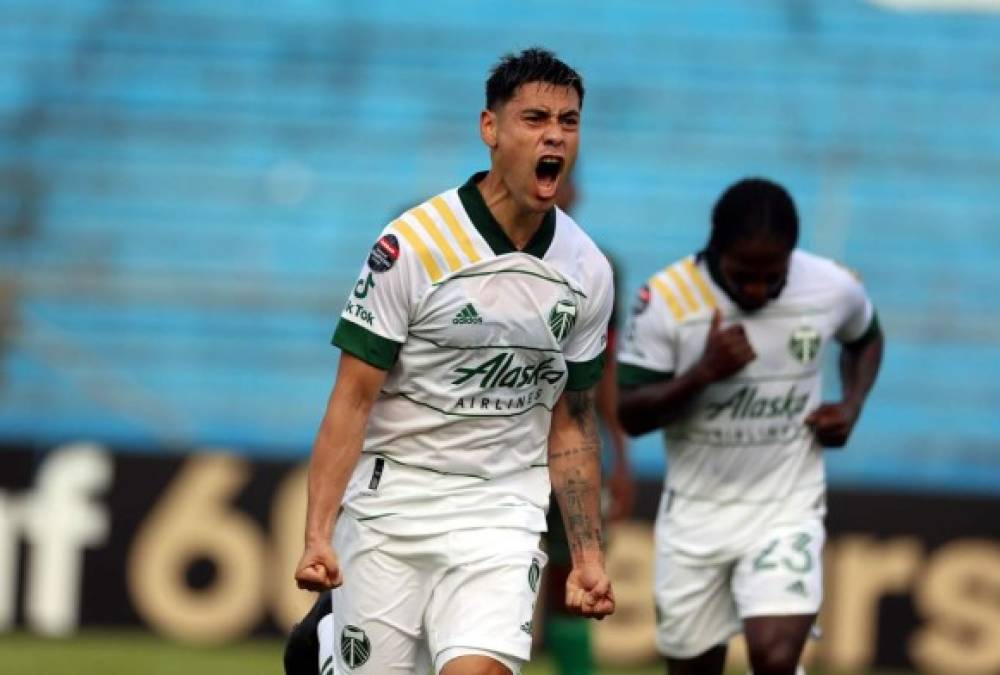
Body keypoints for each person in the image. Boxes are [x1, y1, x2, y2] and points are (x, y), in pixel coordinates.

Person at [292, 47, 616, 675]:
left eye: (569, 121)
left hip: (502, 509)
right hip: (394, 502)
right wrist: (317, 535)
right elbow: (353, 398)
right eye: (534, 118)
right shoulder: (411, 245)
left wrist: (588, 555)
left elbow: (574, 422)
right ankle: (329, 643)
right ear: (490, 129)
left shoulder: (588, 272)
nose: (554, 134)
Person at [616, 178, 884, 675]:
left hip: (786, 506)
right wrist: (703, 373)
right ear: (715, 251)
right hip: (695, 514)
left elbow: (865, 337)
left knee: (774, 655)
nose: (758, 289)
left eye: (773, 276)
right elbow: (629, 415)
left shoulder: (829, 286)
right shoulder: (668, 301)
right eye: (745, 277)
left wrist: (852, 404)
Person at [540, 178, 633, 675]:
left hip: (569, 445)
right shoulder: (486, 265)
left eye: (566, 180)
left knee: (570, 580)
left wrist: (620, 456)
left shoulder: (597, 270)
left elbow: (607, 371)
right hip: (500, 449)